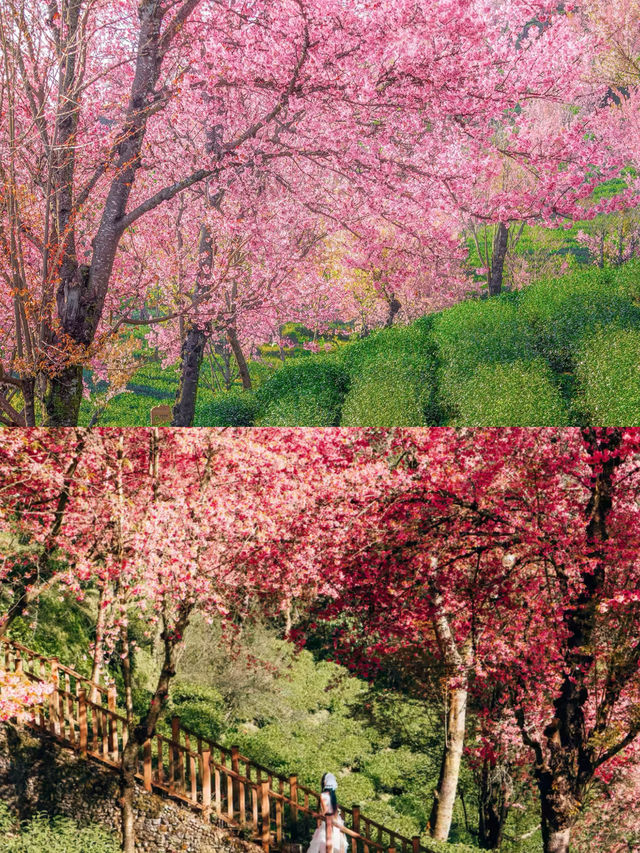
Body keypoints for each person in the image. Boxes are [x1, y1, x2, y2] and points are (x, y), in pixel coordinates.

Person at [307, 773, 348, 853]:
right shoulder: (333, 795)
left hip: (328, 821)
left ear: (325, 782)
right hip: (337, 820)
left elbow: (325, 810)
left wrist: (317, 815)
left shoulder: (323, 795)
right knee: (337, 842)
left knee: (324, 842)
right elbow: (334, 810)